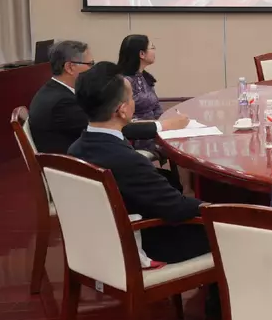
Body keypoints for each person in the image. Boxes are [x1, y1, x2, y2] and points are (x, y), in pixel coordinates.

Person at [66, 62, 210, 264]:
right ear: (122, 110)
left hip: (103, 244)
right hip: (146, 244)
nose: (134, 102)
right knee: (235, 230)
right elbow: (177, 208)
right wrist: (217, 207)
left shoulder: (75, 149)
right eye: (132, 97)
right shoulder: (128, 161)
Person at [28, 40, 186, 155]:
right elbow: (109, 127)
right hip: (81, 169)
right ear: (70, 67)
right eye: (90, 64)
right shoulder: (61, 103)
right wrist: (163, 126)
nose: (93, 69)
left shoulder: (56, 91)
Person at [116, 34, 164, 121]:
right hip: (135, 127)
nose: (154, 51)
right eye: (152, 47)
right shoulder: (123, 81)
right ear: (142, 54)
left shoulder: (146, 78)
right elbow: (122, 115)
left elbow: (157, 107)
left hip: (154, 125)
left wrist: (163, 121)